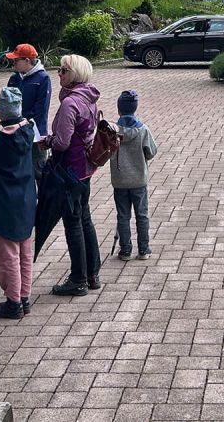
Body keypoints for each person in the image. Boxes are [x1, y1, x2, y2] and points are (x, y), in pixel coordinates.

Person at [42, 54, 102, 297]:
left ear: (74, 73)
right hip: (84, 170)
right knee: (84, 219)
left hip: (70, 171)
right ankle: (92, 274)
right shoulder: (88, 97)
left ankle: (78, 279)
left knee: (73, 223)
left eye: (63, 70)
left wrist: (46, 141)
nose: (59, 73)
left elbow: (62, 142)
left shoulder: (70, 103)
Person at [0, 87, 37, 320]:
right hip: (27, 199)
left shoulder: (3, 139)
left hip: (6, 201)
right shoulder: (29, 131)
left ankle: (13, 302)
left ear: (1, 113)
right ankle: (24, 296)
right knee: (25, 250)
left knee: (8, 253)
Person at [111, 89, 158, 261]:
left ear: (119, 109)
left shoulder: (112, 131)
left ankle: (125, 250)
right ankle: (143, 249)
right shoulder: (143, 130)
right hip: (138, 179)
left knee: (123, 216)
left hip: (119, 180)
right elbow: (151, 151)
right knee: (142, 215)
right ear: (135, 108)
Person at [6, 44, 51, 177]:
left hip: (35, 132)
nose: (13, 63)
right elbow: (8, 104)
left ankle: (42, 191)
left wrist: (24, 122)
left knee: (38, 170)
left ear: (27, 60)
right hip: (16, 130)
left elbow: (41, 108)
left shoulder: (42, 78)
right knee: (19, 170)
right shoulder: (14, 78)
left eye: (16, 60)